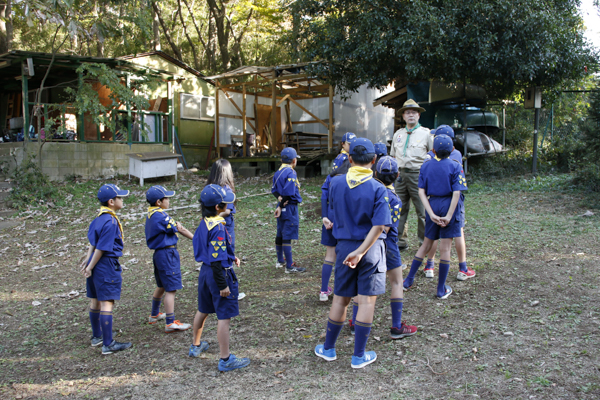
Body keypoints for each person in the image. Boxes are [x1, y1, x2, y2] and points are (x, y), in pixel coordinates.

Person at [314, 138, 391, 369]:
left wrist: (353, 250)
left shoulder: (336, 183)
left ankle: (328, 349)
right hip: (370, 249)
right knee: (366, 301)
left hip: (344, 248)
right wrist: (362, 251)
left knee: (340, 298)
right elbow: (379, 227)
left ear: (349, 159)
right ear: (374, 161)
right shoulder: (379, 188)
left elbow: (333, 208)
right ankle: (358, 356)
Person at [189, 184, 250, 371]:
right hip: (218, 274)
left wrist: (231, 256)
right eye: (226, 204)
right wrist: (223, 285)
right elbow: (217, 259)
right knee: (224, 316)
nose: (229, 207)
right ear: (217, 207)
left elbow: (211, 250)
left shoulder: (205, 222)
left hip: (205, 273)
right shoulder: (218, 229)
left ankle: (196, 346)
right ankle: (225, 359)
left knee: (203, 309)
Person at [403, 135, 468, 299]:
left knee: (425, 244)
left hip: (432, 204)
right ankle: (441, 289)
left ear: (433, 150)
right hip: (448, 205)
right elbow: (456, 193)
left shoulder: (425, 166)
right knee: (445, 248)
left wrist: (430, 213)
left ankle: (408, 281)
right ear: (452, 149)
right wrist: (448, 215)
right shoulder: (456, 165)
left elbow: (420, 192)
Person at [80, 184, 132, 355]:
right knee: (107, 302)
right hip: (105, 264)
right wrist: (90, 266)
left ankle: (98, 336)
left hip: (96, 264)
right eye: (120, 197)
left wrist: (88, 263)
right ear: (111, 201)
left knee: (95, 300)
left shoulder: (98, 218)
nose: (122, 200)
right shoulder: (110, 221)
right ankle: (108, 344)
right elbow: (101, 248)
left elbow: (92, 244)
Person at [421, 125, 476, 281]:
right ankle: (462, 268)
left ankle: (430, 265)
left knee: (433, 234)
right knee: (458, 232)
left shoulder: (429, 156)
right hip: (453, 200)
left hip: (433, 200)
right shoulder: (456, 155)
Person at [374, 156, 418, 339]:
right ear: (398, 175)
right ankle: (396, 326)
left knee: (364, 284)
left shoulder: (371, 192)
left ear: (375, 174)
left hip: (369, 243)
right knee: (397, 282)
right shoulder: (394, 199)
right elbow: (387, 225)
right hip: (388, 243)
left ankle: (354, 322)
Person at [145, 185, 193, 333]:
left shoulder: (151, 215)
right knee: (171, 289)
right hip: (167, 254)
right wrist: (197, 239)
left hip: (159, 254)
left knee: (162, 285)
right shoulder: (161, 216)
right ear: (159, 202)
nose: (168, 200)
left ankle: (154, 314)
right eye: (166, 198)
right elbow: (179, 228)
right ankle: (170, 322)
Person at [390, 99, 433, 251]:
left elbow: (433, 156)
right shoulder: (398, 134)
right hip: (400, 176)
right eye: (407, 112)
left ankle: (424, 244)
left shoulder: (426, 134)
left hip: (418, 175)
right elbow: (393, 156)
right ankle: (400, 241)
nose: (411, 115)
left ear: (419, 115)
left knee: (422, 211)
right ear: (403, 116)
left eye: (414, 112)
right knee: (399, 209)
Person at [319, 159, 351, 301]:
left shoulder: (330, 177)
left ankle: (324, 291)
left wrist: (324, 216)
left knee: (329, 255)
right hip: (344, 219)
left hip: (329, 218)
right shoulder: (350, 178)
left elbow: (323, 197)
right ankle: (341, 289)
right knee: (344, 255)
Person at [272, 147, 305, 273]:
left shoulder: (278, 172)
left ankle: (280, 260)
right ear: (294, 160)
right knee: (287, 236)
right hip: (288, 207)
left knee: (280, 233)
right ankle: (289, 266)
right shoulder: (291, 172)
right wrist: (281, 204)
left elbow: (274, 190)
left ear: (281, 160)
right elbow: (289, 192)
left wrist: (279, 200)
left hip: (281, 206)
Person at [207, 159, 237, 253]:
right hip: (224, 225)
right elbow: (227, 211)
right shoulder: (227, 191)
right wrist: (214, 219)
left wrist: (211, 218)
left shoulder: (209, 188)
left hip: (213, 223)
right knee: (226, 246)